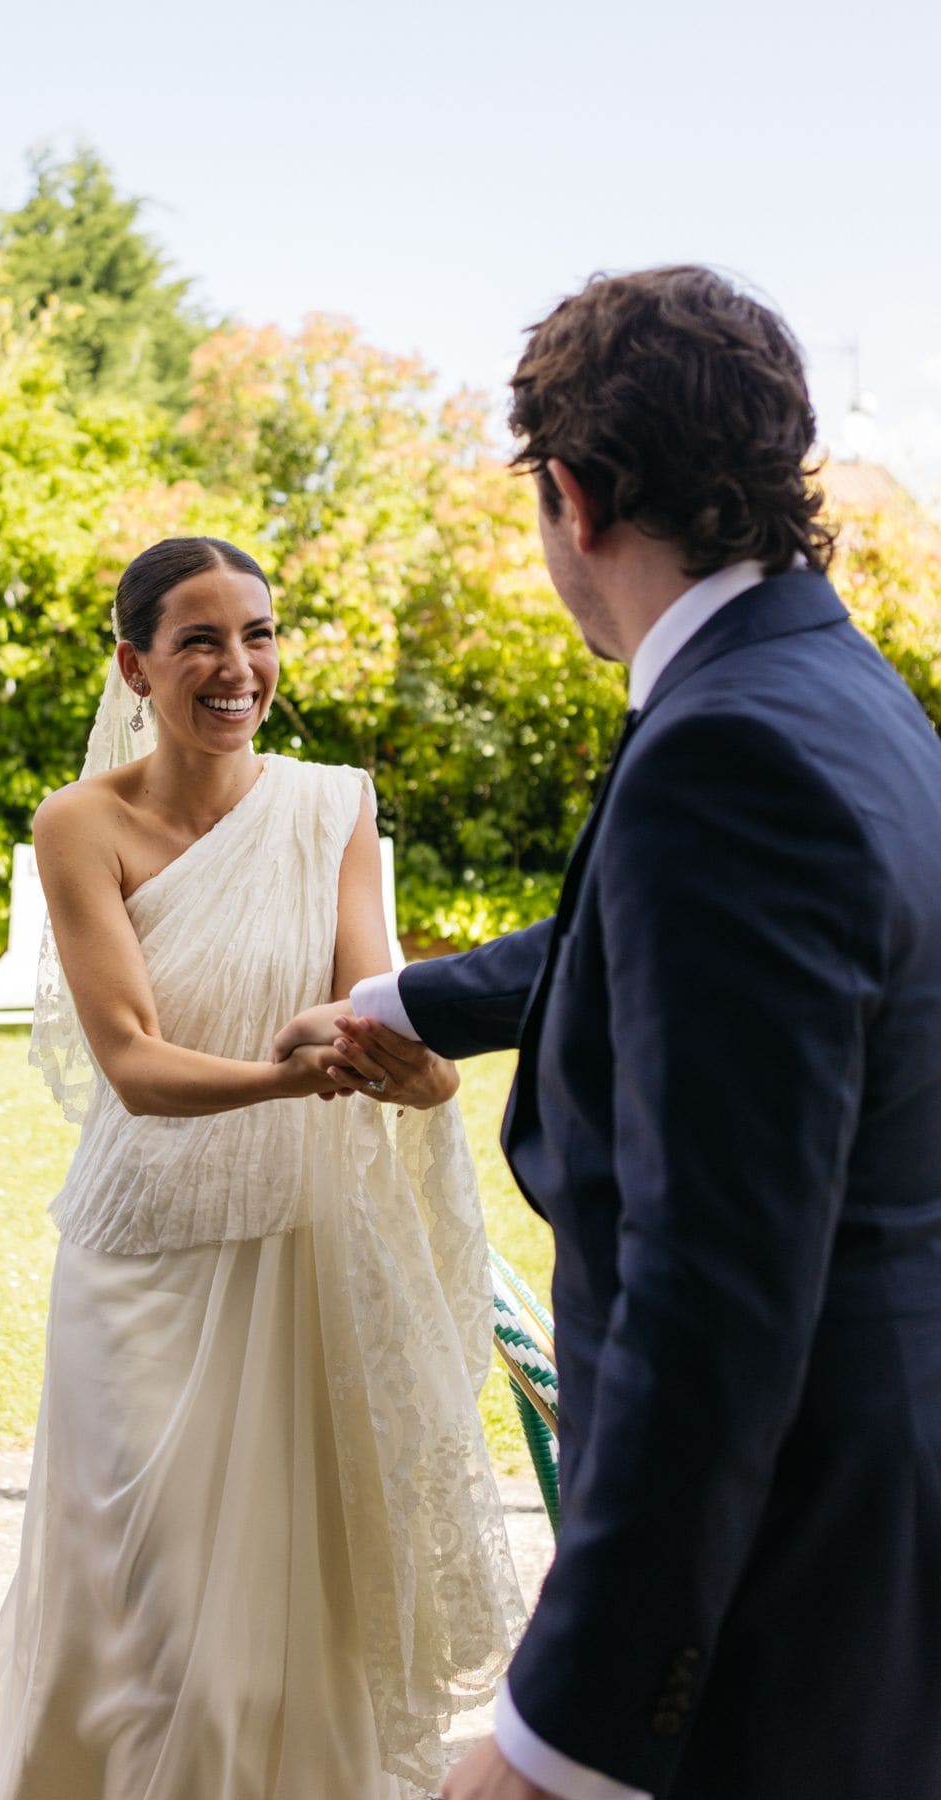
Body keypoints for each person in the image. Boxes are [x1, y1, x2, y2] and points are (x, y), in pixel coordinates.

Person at [275, 267, 941, 1800]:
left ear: (571, 494)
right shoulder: (838, 690)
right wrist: (402, 1000)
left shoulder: (726, 754)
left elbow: (711, 1304)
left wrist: (559, 1735)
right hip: (874, 1513)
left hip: (782, 1580)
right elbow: (652, 957)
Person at [0, 536, 524, 1800]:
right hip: (142, 1271)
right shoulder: (79, 824)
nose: (239, 666)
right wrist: (304, 1075)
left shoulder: (331, 805)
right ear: (135, 665)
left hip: (301, 1251)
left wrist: (418, 1069)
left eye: (260, 633)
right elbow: (132, 1063)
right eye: (199, 639)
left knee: (292, 1621)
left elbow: (371, 1007)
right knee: (141, 1618)